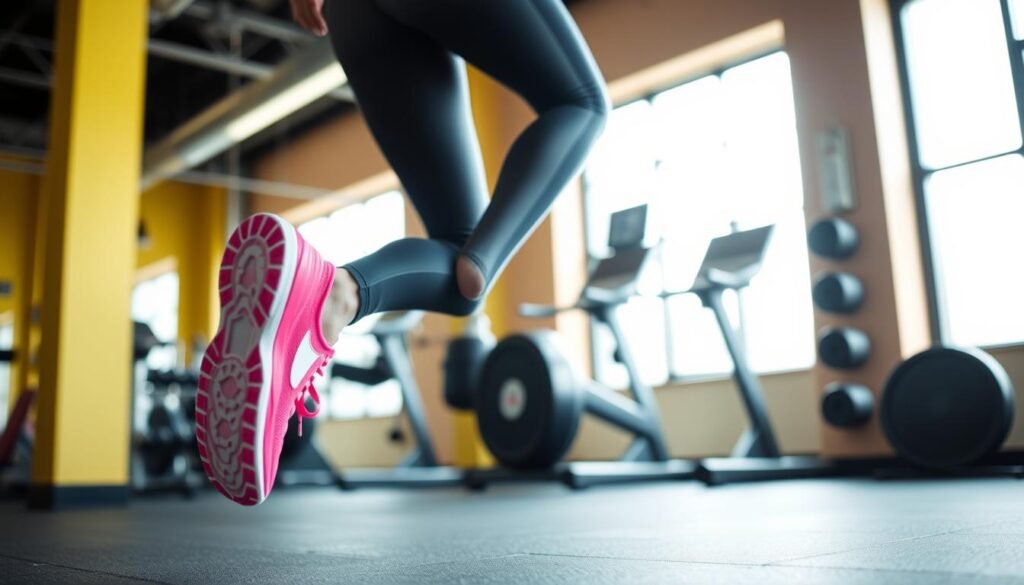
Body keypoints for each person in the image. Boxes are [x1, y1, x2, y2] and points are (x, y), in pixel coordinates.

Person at [196, 0, 610, 506]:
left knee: (457, 274)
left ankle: (336, 296)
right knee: (582, 103)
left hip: (351, 17)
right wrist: (484, 256)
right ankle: (477, 262)